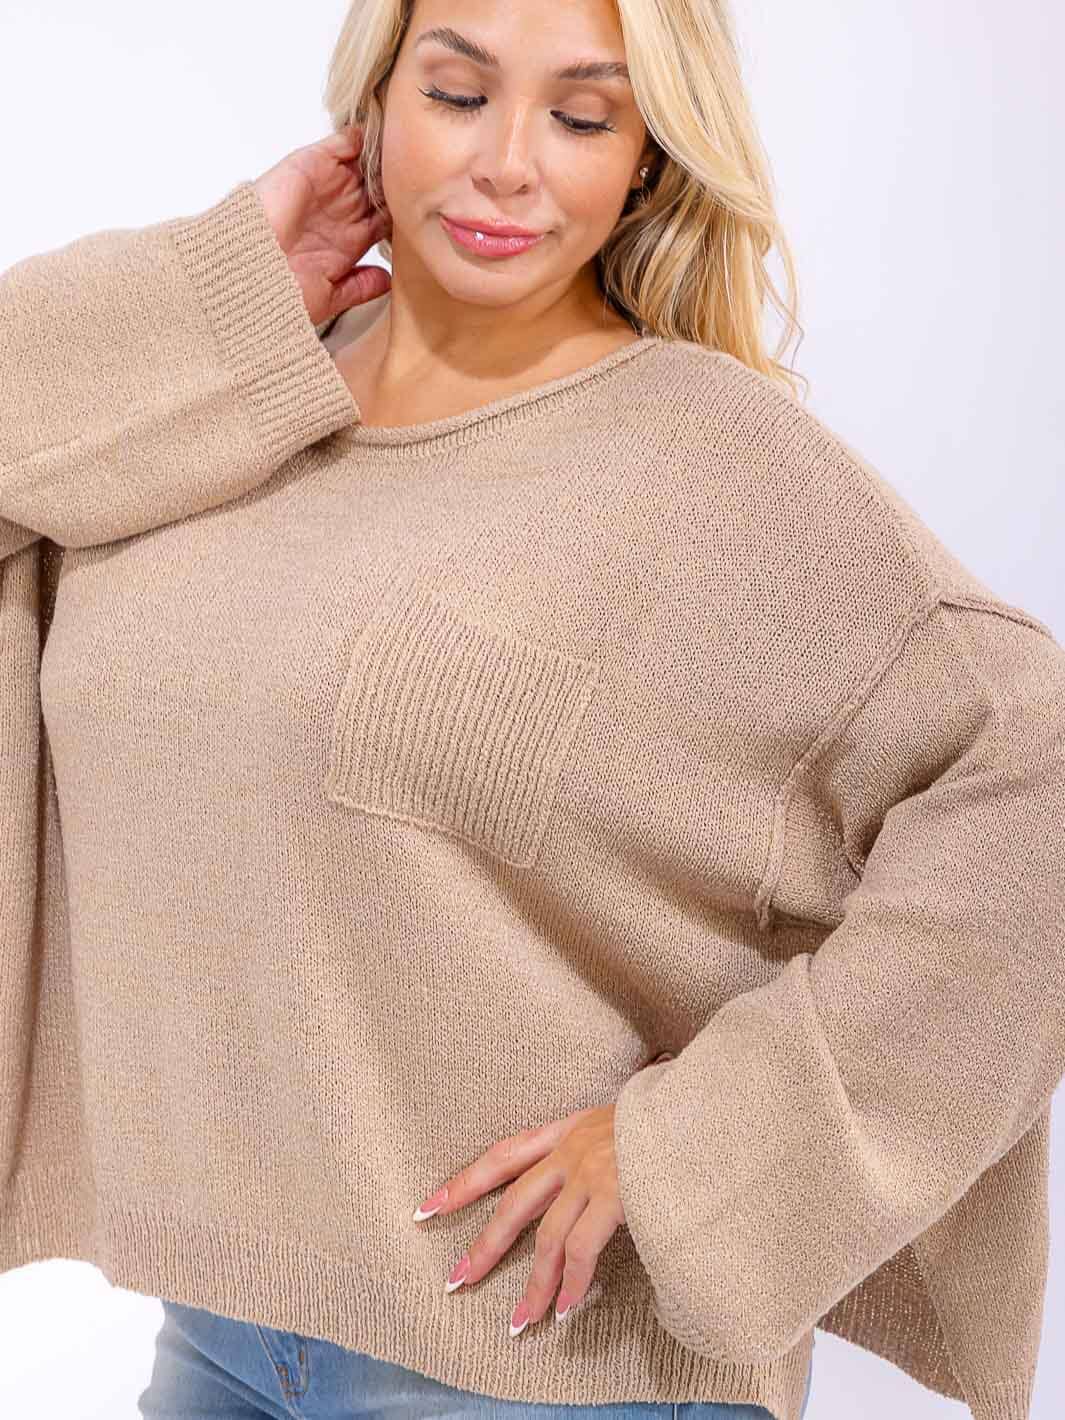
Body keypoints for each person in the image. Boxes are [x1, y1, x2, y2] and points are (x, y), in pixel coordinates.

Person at [0, 2, 1061, 1419]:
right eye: (456, 93)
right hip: (219, 1334)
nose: (508, 160)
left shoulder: (709, 465)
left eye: (580, 116)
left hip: (541, 1365)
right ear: (373, 108)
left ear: (646, 160)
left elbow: (1037, 779)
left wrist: (712, 1148)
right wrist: (218, 284)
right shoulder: (203, 408)